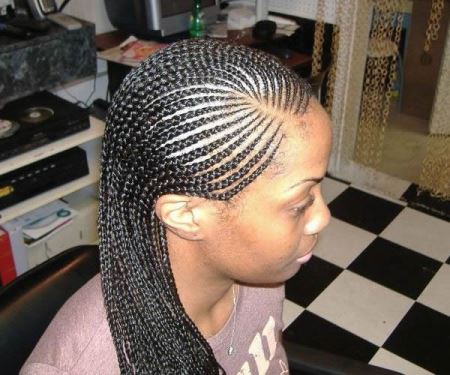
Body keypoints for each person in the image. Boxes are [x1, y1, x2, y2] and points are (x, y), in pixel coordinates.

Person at [20, 38, 331, 374]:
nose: (323, 217)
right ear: (186, 215)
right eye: (300, 204)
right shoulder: (84, 366)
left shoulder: (258, 268)